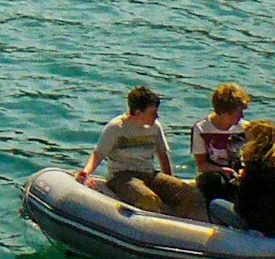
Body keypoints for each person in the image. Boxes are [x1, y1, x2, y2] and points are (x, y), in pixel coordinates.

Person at [82, 87, 203, 217]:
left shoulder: (155, 127)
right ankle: (159, 223)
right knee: (148, 198)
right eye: (152, 113)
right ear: (138, 113)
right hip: (121, 176)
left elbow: (163, 156)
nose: (157, 116)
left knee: (191, 194)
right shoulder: (116, 128)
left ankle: (178, 222)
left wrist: (170, 181)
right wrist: (86, 173)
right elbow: (98, 154)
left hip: (149, 173)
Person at [228, 122, 275, 237]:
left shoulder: (255, 167)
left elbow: (241, 207)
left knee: (216, 204)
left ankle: (233, 238)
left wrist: (241, 183)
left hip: (262, 226)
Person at [193, 85, 252, 208]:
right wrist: (221, 170)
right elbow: (201, 164)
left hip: (236, 171)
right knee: (213, 182)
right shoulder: (201, 129)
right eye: (238, 113)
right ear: (224, 113)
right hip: (213, 172)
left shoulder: (245, 128)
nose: (242, 117)